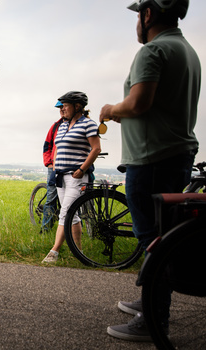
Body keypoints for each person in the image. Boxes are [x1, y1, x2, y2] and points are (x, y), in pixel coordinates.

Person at [100, 0, 200, 342]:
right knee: (162, 232)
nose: (137, 23)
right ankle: (150, 299)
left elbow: (139, 102)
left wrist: (112, 109)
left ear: (148, 14)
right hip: (173, 154)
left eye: (138, 15)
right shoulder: (186, 50)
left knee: (152, 238)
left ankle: (154, 317)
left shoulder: (154, 51)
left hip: (153, 158)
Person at [42, 91, 101, 263]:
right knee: (72, 215)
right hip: (60, 176)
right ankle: (79, 252)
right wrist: (54, 167)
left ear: (77, 107)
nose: (61, 109)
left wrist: (83, 169)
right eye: (60, 107)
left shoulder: (88, 124)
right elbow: (57, 148)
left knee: (65, 212)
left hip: (76, 177)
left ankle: (54, 252)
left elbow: (96, 148)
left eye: (65, 106)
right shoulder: (61, 126)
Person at [40, 101, 64, 233]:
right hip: (53, 167)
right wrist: (49, 163)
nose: (61, 110)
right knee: (51, 198)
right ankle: (45, 230)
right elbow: (47, 146)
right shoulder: (55, 126)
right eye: (59, 108)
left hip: (69, 167)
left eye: (62, 107)